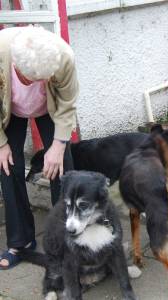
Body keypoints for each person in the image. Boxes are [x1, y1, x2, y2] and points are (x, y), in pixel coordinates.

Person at [0, 26, 79, 270]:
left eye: (43, 79)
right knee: (7, 166)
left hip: (50, 109)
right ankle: (20, 242)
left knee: (62, 167)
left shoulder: (64, 57)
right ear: (16, 67)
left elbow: (67, 104)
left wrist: (57, 146)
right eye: (31, 80)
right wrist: (1, 144)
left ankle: (62, 240)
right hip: (10, 110)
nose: (38, 83)